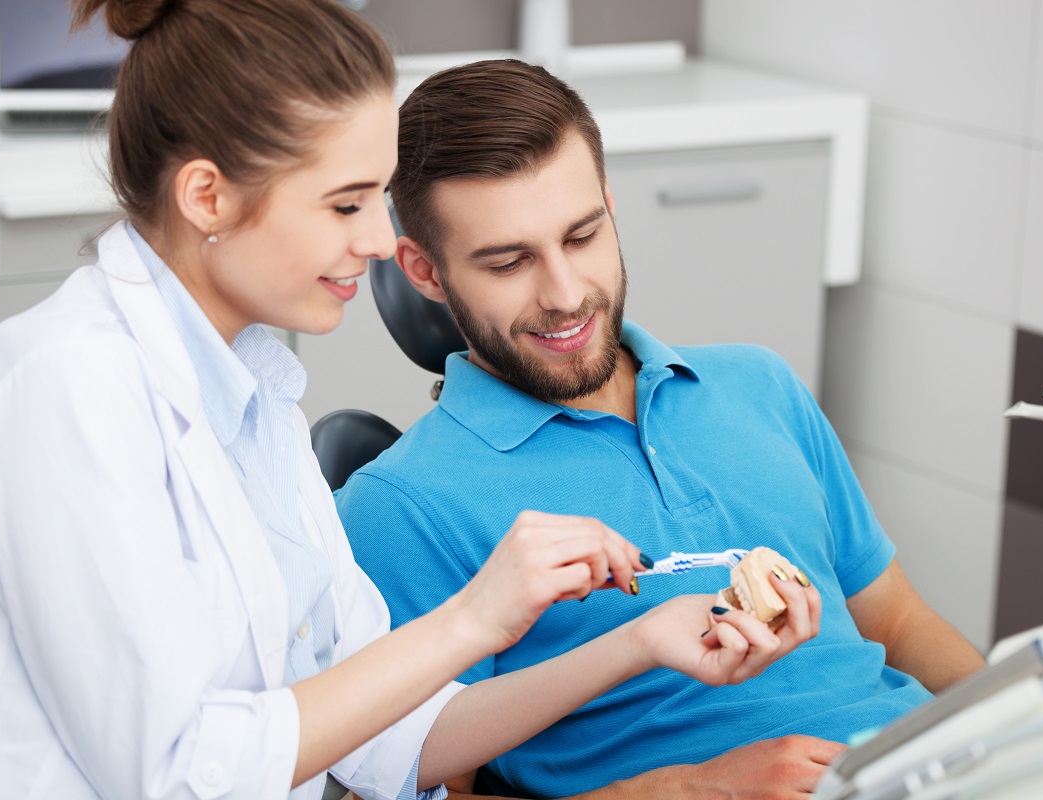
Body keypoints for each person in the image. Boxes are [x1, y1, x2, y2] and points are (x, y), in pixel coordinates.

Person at [0, 6, 820, 800]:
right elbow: (180, 776)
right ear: (208, 197)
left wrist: (639, 641)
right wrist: (474, 617)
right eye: (347, 204)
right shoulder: (62, 388)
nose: (384, 243)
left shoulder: (251, 393)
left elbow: (390, 738)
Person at [336, 59, 988, 799]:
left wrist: (1013, 725)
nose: (566, 293)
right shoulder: (401, 504)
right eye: (509, 260)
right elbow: (418, 783)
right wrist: (684, 790)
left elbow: (897, 620)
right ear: (424, 271)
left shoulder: (759, 384)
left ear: (611, 208)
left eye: (582, 236)